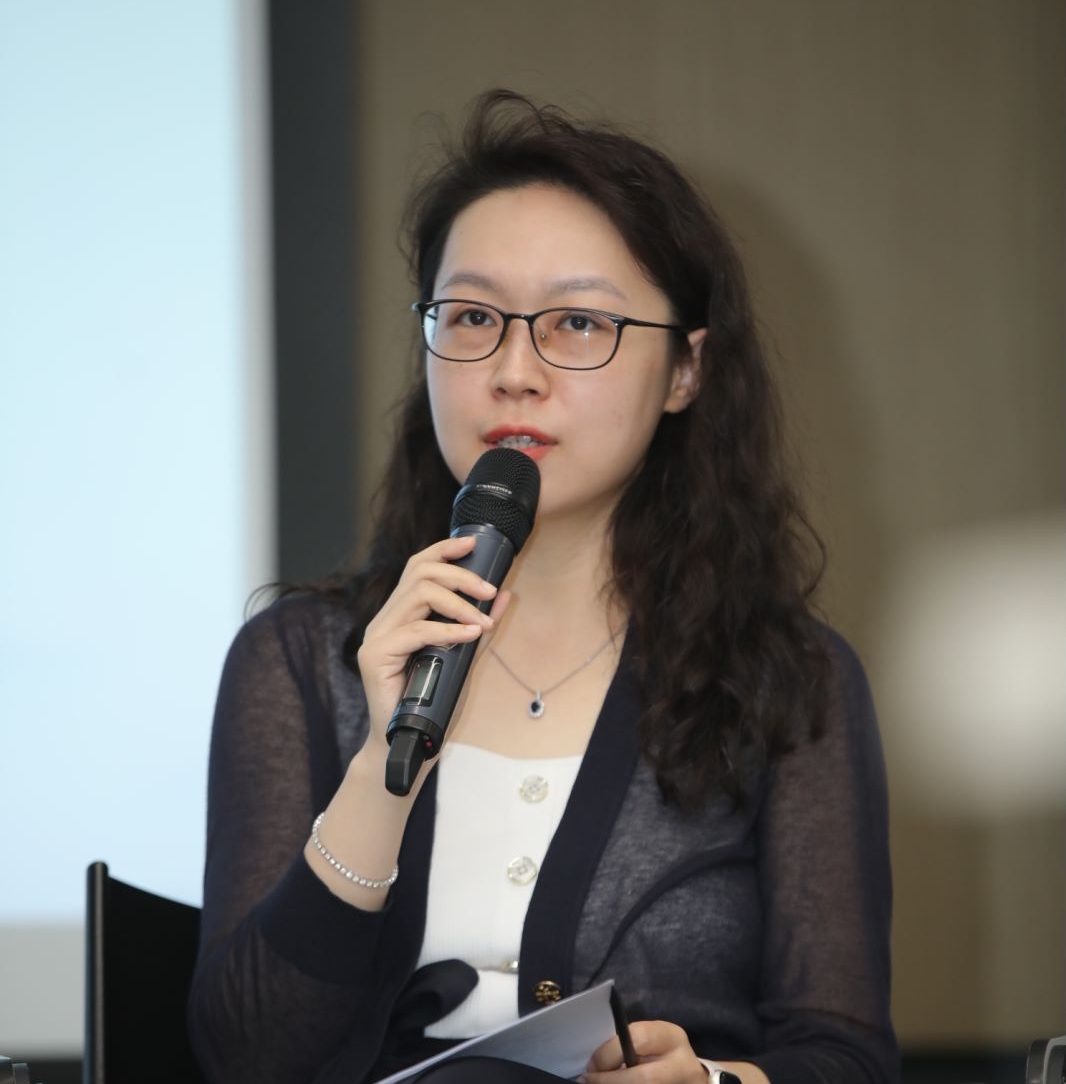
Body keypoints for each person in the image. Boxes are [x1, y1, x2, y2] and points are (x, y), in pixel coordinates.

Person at [187, 90, 898, 1084]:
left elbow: (846, 1056)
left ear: (685, 371)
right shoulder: (299, 661)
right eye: (473, 316)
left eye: (577, 323)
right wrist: (383, 766)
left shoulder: (791, 682)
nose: (514, 371)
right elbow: (246, 1058)